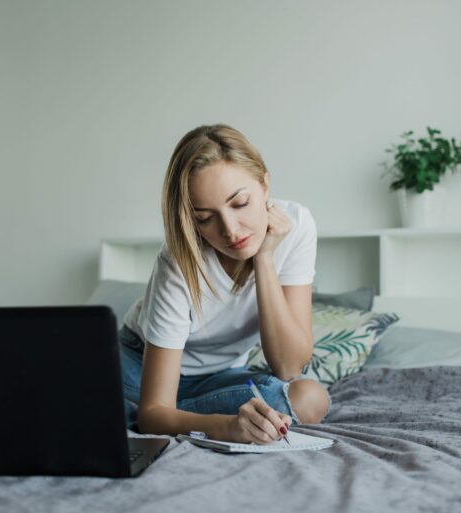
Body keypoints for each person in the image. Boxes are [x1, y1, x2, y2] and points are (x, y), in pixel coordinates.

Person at [119, 123, 330, 445]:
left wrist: (264, 257)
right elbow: (154, 411)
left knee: (309, 398)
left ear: (264, 185)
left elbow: (289, 367)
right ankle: (136, 408)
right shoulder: (178, 262)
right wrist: (227, 427)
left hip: (218, 378)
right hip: (139, 365)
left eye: (240, 203)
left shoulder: (296, 226)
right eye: (205, 218)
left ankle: (149, 414)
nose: (231, 231)